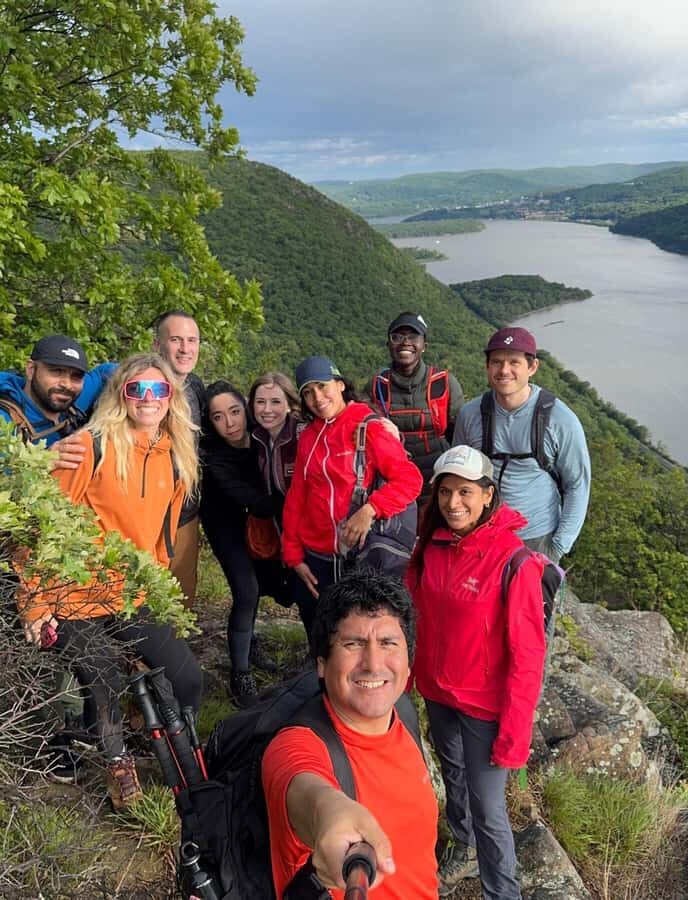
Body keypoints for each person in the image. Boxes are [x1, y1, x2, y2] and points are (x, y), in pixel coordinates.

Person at [16, 352, 203, 809]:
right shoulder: (90, 447)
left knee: (188, 678)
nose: (148, 398)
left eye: (158, 389)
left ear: (171, 397)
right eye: (136, 388)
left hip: (132, 593)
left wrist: (159, 590)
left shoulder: (176, 458)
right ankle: (119, 762)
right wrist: (35, 603)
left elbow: (162, 537)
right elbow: (37, 529)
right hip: (72, 593)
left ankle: (183, 748)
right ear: (121, 394)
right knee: (101, 675)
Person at [407, 446, 546, 899]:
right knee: (452, 776)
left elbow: (528, 657)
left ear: (488, 496)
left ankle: (502, 892)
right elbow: (416, 618)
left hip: (485, 706)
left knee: (490, 809)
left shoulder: (514, 562)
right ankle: (464, 849)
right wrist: (408, 678)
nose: (453, 503)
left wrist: (515, 736)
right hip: (438, 692)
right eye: (445, 492)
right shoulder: (432, 545)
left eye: (465, 492)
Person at [261, 570, 439, 899]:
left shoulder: (403, 713)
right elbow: (308, 790)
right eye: (353, 644)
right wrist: (330, 814)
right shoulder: (294, 745)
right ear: (321, 664)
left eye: (388, 643)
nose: (373, 664)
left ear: (409, 661)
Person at [53, 310, 205, 605]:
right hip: (120, 523)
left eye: (192, 340)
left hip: (178, 515)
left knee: (176, 602)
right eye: (176, 339)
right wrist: (48, 454)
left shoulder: (195, 388)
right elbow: (66, 415)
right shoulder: (117, 383)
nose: (185, 348)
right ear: (156, 344)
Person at [282, 356, 423, 639]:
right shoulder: (309, 436)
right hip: (316, 557)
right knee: (320, 632)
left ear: (340, 384)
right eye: (307, 392)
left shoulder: (367, 426)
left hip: (358, 558)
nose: (317, 398)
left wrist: (370, 509)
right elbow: (297, 496)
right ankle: (323, 681)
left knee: (356, 635)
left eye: (322, 387)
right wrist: (293, 555)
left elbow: (410, 479)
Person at [453, 326, 591, 562]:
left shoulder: (559, 420)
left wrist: (558, 546)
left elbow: (577, 484)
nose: (504, 370)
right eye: (496, 362)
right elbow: (457, 477)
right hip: (481, 534)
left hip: (537, 537)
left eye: (514, 362)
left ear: (532, 367)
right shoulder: (471, 414)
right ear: (487, 366)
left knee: (532, 600)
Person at [199, 380, 289, 706]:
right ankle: (240, 674)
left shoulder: (260, 436)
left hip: (256, 522)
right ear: (210, 422)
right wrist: (299, 498)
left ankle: (249, 645)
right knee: (246, 590)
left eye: (235, 411)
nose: (230, 423)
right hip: (225, 525)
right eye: (219, 417)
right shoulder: (214, 458)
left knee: (264, 585)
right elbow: (254, 499)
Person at [365, 312, 464, 504]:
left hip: (438, 480)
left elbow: (459, 435)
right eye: (397, 337)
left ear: (423, 346)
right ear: (388, 345)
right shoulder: (377, 386)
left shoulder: (443, 383)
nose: (405, 342)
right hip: (393, 482)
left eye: (413, 337)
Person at [0, 334, 116, 446]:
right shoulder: (5, 420)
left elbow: (105, 372)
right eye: (56, 372)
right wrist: (48, 459)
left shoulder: (73, 401)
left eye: (76, 376)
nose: (67, 385)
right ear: (31, 370)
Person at [248, 371, 305, 527]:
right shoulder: (258, 438)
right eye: (260, 402)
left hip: (311, 530)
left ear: (290, 405)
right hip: (282, 528)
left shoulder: (304, 436)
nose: (267, 410)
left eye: (275, 402)